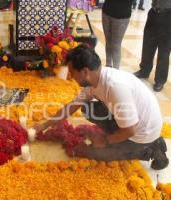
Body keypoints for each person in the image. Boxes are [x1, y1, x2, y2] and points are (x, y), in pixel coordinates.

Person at [35, 45, 169, 170]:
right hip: (134, 121)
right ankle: (124, 138)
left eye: (72, 72)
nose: (70, 76)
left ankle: (151, 148)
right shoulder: (95, 80)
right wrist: (44, 125)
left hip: (141, 133)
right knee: (87, 108)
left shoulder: (115, 88)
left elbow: (130, 131)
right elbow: (71, 106)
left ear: (85, 72)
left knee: (93, 152)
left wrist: (105, 140)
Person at [134, 1, 171, 92]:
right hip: (153, 13)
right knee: (147, 45)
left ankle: (160, 79)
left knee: (164, 51)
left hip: (168, 16)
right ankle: (144, 70)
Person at [102, 0, 133, 69]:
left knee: (116, 45)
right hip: (107, 11)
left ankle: (116, 71)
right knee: (108, 41)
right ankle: (108, 66)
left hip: (122, 15)